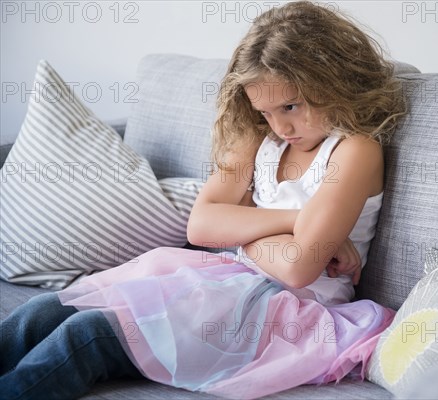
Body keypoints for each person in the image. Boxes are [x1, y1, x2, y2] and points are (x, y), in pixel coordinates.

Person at [0, 1, 405, 399]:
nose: (281, 126)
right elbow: (201, 226)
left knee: (85, 335)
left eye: (291, 105)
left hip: (285, 309)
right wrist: (297, 218)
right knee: (40, 315)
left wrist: (241, 225)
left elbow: (298, 267)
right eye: (266, 112)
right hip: (223, 281)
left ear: (331, 79)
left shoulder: (353, 150)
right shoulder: (259, 138)